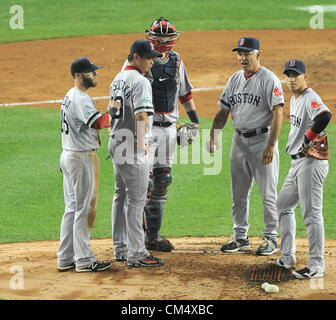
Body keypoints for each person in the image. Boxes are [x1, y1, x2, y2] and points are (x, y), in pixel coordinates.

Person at [208, 37, 284, 255]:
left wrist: (271, 146)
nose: (242, 58)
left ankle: (270, 238)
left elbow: (279, 113)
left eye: (246, 54)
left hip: (262, 141)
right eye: (239, 54)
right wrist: (213, 136)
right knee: (239, 193)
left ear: (258, 55)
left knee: (268, 193)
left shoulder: (269, 79)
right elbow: (223, 111)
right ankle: (240, 237)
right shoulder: (234, 80)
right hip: (239, 141)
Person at [142, 17, 200, 252]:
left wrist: (195, 122)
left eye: (168, 37)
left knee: (163, 181)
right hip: (146, 127)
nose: (164, 41)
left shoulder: (177, 62)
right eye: (160, 37)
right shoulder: (141, 61)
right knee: (142, 185)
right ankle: (134, 239)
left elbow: (184, 94)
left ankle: (152, 238)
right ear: (151, 38)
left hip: (169, 129)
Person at [57, 57, 120, 272]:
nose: (95, 74)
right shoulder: (80, 98)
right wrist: (113, 111)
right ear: (77, 75)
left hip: (69, 155)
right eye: (89, 72)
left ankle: (65, 258)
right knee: (84, 210)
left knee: (72, 209)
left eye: (95, 71)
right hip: (81, 158)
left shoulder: (69, 95)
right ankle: (84, 260)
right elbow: (97, 122)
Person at [108, 40, 164, 267]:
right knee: (136, 201)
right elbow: (141, 116)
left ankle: (120, 248)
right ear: (136, 56)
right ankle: (137, 253)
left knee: (120, 196)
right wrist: (142, 144)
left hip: (116, 142)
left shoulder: (117, 78)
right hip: (131, 147)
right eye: (148, 57)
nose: (151, 61)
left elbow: (112, 111)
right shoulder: (140, 81)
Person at [276, 59, 331, 279]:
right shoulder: (295, 98)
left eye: (295, 76)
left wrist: (308, 139)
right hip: (297, 163)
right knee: (283, 205)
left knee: (312, 213)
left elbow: (325, 115)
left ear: (304, 77)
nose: (291, 80)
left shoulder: (310, 97)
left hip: (310, 163)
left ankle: (316, 265)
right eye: (288, 76)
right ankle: (288, 256)